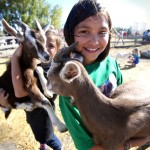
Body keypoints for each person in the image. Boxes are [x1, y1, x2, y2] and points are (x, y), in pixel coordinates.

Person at [0, 0, 150, 150]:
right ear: (71, 33)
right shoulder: (69, 86)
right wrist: (135, 142)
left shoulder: (112, 64)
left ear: (110, 33)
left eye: (102, 32)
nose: (94, 41)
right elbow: (87, 147)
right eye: (84, 31)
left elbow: (121, 97)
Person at [0, 30, 62, 150]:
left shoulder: (52, 72)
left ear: (57, 50)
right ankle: (42, 145)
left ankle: (58, 147)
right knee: (37, 132)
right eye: (41, 44)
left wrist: (14, 58)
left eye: (50, 46)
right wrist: (4, 103)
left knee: (47, 136)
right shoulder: (35, 66)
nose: (45, 48)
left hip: (43, 115)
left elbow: (20, 91)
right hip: (32, 114)